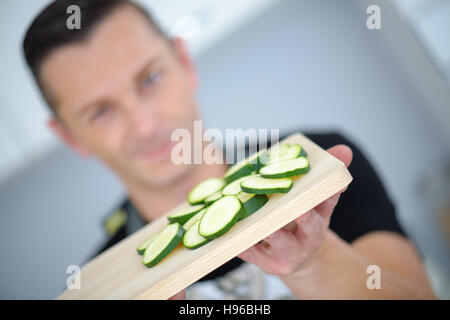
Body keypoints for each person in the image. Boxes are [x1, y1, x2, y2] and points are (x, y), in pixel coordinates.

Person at [23, 0, 435, 299]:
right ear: (70, 137)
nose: (145, 126)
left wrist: (310, 262)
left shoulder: (316, 164)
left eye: (150, 79)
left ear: (184, 63)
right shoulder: (100, 288)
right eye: (100, 112)